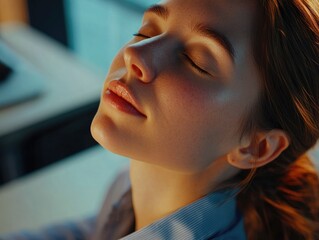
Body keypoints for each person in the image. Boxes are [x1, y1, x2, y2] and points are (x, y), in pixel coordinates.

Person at [90, 0, 319, 239]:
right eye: (146, 32)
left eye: (195, 61)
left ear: (256, 146)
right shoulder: (126, 184)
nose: (134, 53)